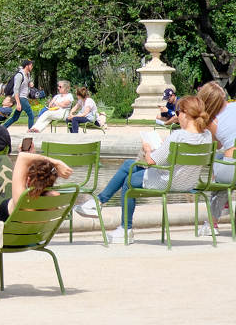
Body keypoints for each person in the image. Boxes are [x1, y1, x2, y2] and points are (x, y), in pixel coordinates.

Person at [77, 94, 213, 239]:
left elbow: (152, 162)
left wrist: (148, 149)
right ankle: (98, 202)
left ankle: (124, 228)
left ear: (186, 114)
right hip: (188, 182)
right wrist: (161, 150)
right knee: (129, 164)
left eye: (178, 113)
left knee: (129, 180)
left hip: (168, 181)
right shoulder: (207, 136)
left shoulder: (178, 136)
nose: (177, 116)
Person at [199, 81, 234, 229]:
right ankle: (224, 202)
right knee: (220, 162)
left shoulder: (212, 121)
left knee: (219, 181)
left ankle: (211, 223)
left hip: (232, 170)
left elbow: (217, 145)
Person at [1, 60, 35, 129]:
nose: (32, 67)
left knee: (15, 118)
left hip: (24, 97)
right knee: (31, 115)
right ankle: (31, 133)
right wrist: (18, 103)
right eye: (31, 65)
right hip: (21, 98)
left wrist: (30, 84)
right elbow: (16, 90)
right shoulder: (19, 75)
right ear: (26, 66)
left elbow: (26, 84)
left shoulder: (28, 74)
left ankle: (2, 128)